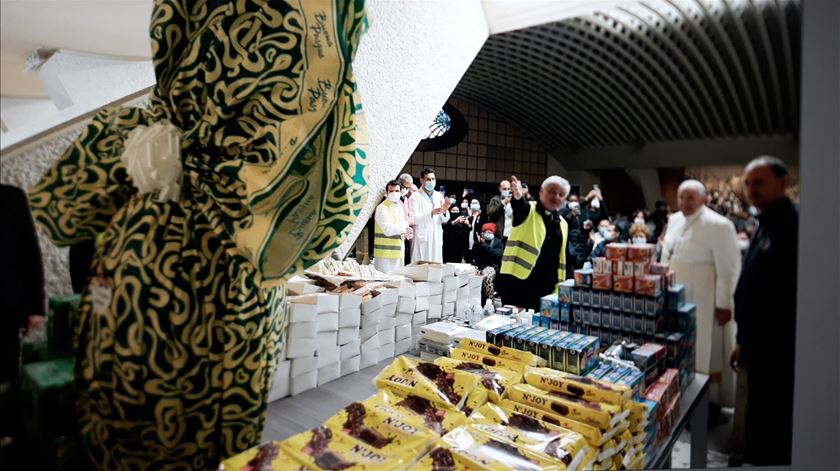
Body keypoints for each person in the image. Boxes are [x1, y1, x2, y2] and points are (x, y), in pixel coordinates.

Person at [730, 157, 798, 466]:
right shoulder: (765, 222)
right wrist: (743, 338)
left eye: (759, 182)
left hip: (780, 348)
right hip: (757, 344)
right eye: (747, 183)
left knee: (773, 420)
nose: (751, 189)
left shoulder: (794, 226)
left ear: (783, 183)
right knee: (756, 411)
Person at [662, 179, 741, 410]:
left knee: (708, 349)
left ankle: (710, 404)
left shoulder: (720, 225)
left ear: (704, 200)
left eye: (690, 198)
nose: (685, 202)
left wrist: (724, 304)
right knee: (679, 344)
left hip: (708, 297)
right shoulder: (674, 219)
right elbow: (666, 254)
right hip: (677, 293)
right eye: (681, 197)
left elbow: (729, 269)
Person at [496, 175, 572, 311]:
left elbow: (563, 256)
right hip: (519, 284)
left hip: (547, 287)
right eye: (552, 192)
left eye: (561, 194)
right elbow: (519, 207)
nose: (557, 197)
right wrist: (518, 196)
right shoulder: (528, 210)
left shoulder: (563, 223)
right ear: (541, 191)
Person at [409, 168, 451, 263]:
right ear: (421, 180)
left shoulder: (438, 196)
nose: (431, 182)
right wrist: (431, 213)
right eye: (428, 179)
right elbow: (412, 218)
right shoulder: (415, 197)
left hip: (436, 237)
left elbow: (444, 219)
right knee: (420, 268)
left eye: (433, 179)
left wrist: (444, 210)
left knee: (435, 268)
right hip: (422, 238)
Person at [373, 181, 413, 274]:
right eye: (391, 191)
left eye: (397, 190)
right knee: (385, 284)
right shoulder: (382, 208)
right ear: (386, 193)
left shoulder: (399, 207)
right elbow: (388, 230)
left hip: (398, 252)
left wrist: (408, 232)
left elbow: (401, 227)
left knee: (397, 284)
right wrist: (406, 225)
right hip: (385, 255)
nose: (394, 193)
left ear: (400, 192)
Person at [470, 222, 505, 303]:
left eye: (490, 232)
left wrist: (485, 245)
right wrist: (478, 244)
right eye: (486, 232)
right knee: (470, 274)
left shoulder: (498, 242)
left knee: (487, 276)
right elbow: (474, 256)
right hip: (479, 265)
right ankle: (473, 299)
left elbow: (497, 255)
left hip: (491, 266)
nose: (488, 234)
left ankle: (490, 300)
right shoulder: (479, 241)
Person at [561, 194, 592, 270]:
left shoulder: (584, 212)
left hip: (582, 242)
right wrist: (571, 215)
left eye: (575, 201)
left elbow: (589, 224)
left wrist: (588, 225)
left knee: (580, 266)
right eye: (571, 201)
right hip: (569, 242)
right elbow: (561, 221)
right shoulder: (564, 211)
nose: (574, 202)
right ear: (568, 202)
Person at [399, 173, 415, 265]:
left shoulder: (406, 199)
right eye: (405, 187)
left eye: (409, 188)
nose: (407, 190)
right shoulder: (393, 199)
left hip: (405, 235)